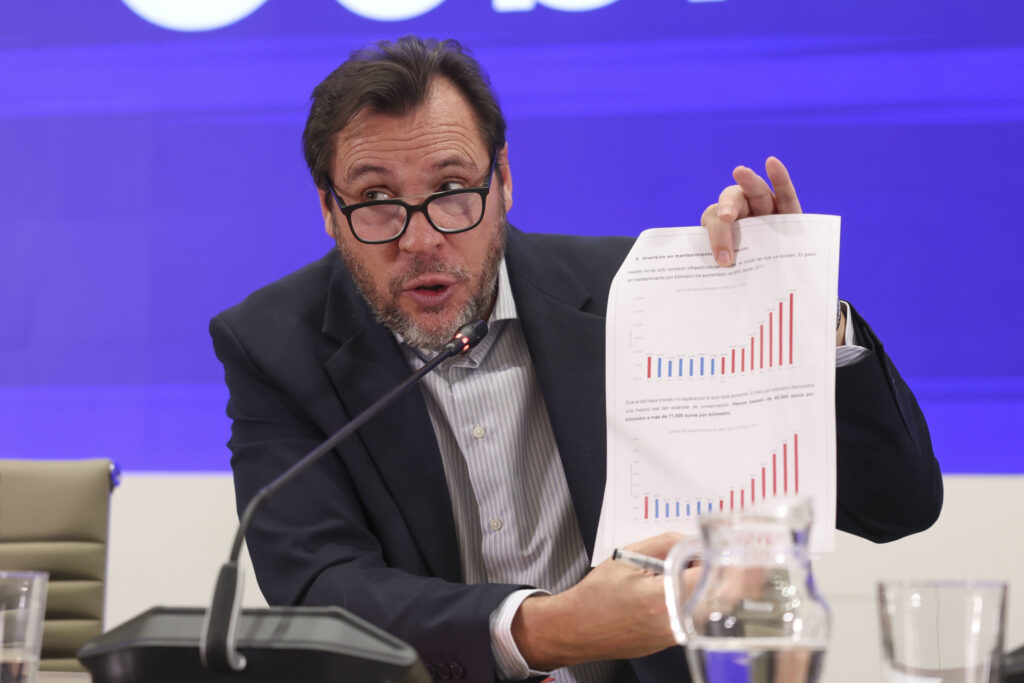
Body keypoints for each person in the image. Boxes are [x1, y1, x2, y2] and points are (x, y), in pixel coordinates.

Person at [210, 36, 942, 683]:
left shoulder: (636, 298)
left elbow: (894, 506)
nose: (421, 238)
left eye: (452, 189)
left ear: (502, 180)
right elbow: (322, 592)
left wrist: (799, 311)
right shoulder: (274, 346)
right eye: (375, 198)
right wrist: (549, 628)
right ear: (328, 209)